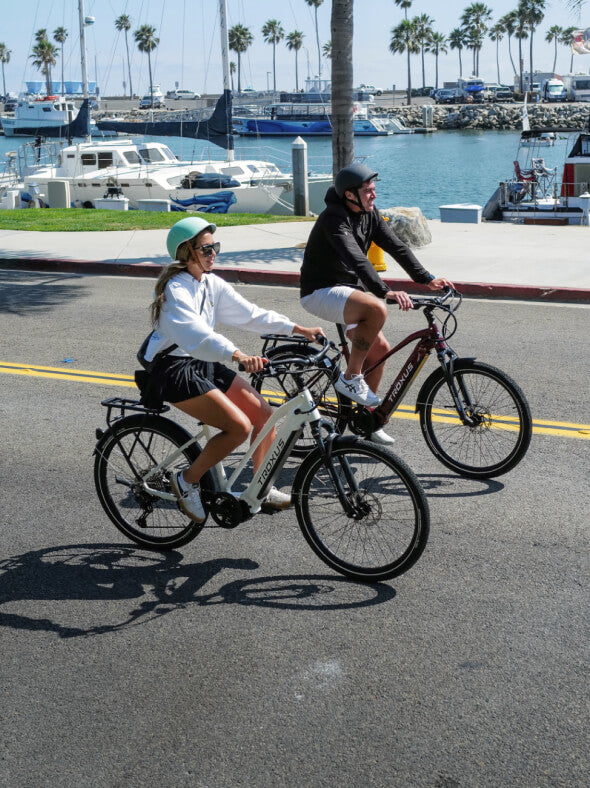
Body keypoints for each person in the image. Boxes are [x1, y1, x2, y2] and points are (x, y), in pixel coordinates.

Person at [141, 217, 324, 522]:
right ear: (187, 251)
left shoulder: (210, 284)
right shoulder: (176, 290)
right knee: (238, 427)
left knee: (264, 416)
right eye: (207, 248)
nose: (214, 253)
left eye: (216, 247)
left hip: (202, 362)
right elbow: (197, 334)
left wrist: (298, 329)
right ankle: (186, 482)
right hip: (173, 370)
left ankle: (260, 489)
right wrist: (237, 354)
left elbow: (250, 315)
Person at [300, 163, 453, 445]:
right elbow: (357, 261)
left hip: (348, 291)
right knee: (376, 309)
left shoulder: (369, 215)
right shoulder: (334, 219)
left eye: (374, 189)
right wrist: (384, 292)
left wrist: (426, 279)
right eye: (368, 191)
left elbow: (397, 246)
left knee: (380, 349)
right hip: (320, 291)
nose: (374, 195)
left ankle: (367, 420)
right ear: (350, 195)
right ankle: (351, 376)